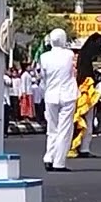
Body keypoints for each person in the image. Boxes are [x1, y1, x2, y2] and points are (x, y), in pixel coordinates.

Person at [38, 28, 77, 172]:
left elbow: (43, 76)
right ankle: (59, 162)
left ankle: (49, 157)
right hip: (67, 95)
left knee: (52, 129)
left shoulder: (44, 57)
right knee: (64, 130)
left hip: (51, 95)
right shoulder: (69, 54)